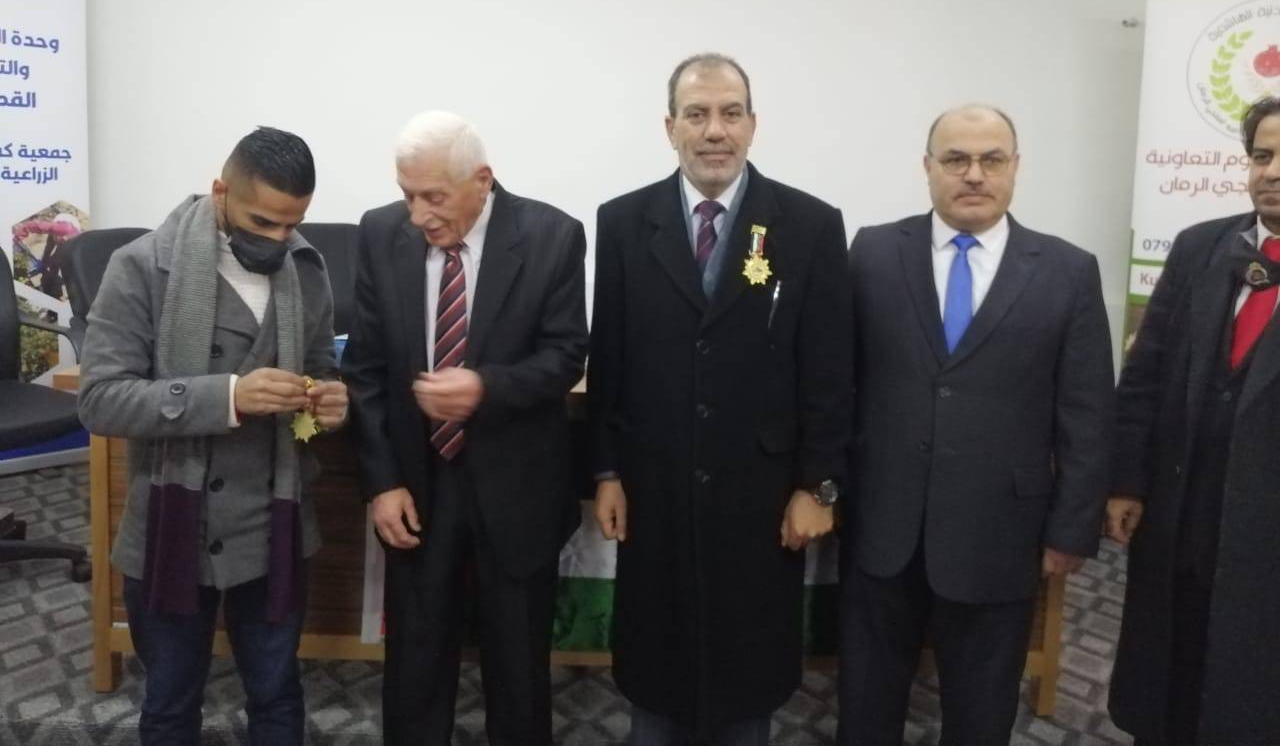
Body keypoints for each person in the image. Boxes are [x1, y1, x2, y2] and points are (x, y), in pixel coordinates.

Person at [589, 53, 852, 744]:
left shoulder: (809, 225)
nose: (715, 130)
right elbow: (609, 360)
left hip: (761, 495)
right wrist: (606, 471)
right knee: (656, 666)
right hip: (655, 487)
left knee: (747, 674)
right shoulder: (624, 221)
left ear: (753, 125)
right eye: (697, 114)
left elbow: (830, 374)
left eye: (731, 113)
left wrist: (819, 488)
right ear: (669, 127)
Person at [839, 104, 1114, 745]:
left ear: (1015, 167)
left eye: (991, 160)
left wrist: (1071, 527)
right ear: (927, 167)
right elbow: (840, 382)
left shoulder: (1068, 270)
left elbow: (1087, 411)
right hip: (883, 522)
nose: (973, 174)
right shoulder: (873, 252)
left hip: (1001, 532)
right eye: (956, 159)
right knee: (866, 700)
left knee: (982, 709)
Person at [78, 126, 348, 745]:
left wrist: (331, 404)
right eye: (262, 222)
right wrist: (228, 397)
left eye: (293, 223)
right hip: (171, 525)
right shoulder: (142, 266)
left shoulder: (307, 268)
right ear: (220, 192)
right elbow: (100, 400)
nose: (278, 239)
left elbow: (321, 370)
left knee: (277, 693)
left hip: (274, 520)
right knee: (171, 700)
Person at [342, 110, 587, 746]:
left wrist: (485, 388)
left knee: (518, 665)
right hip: (417, 483)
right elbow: (364, 371)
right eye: (407, 195)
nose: (417, 214)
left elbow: (566, 356)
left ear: (482, 180)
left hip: (516, 483)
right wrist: (382, 482)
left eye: (433, 197)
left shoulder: (552, 236)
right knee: (415, 664)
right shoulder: (380, 233)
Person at [1109, 96, 1280, 744]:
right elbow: (1145, 376)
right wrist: (1126, 482)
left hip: (1266, 536)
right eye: (1261, 155)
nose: (1272, 171)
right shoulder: (1200, 246)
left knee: (1247, 687)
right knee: (1166, 679)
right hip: (1178, 515)